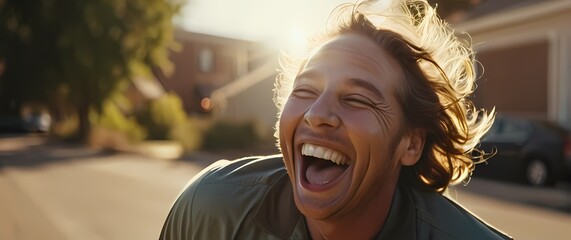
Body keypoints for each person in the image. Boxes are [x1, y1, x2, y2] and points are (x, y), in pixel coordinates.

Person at [160, 0, 512, 239]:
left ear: (411, 143)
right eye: (305, 92)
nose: (316, 115)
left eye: (357, 99)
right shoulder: (210, 210)